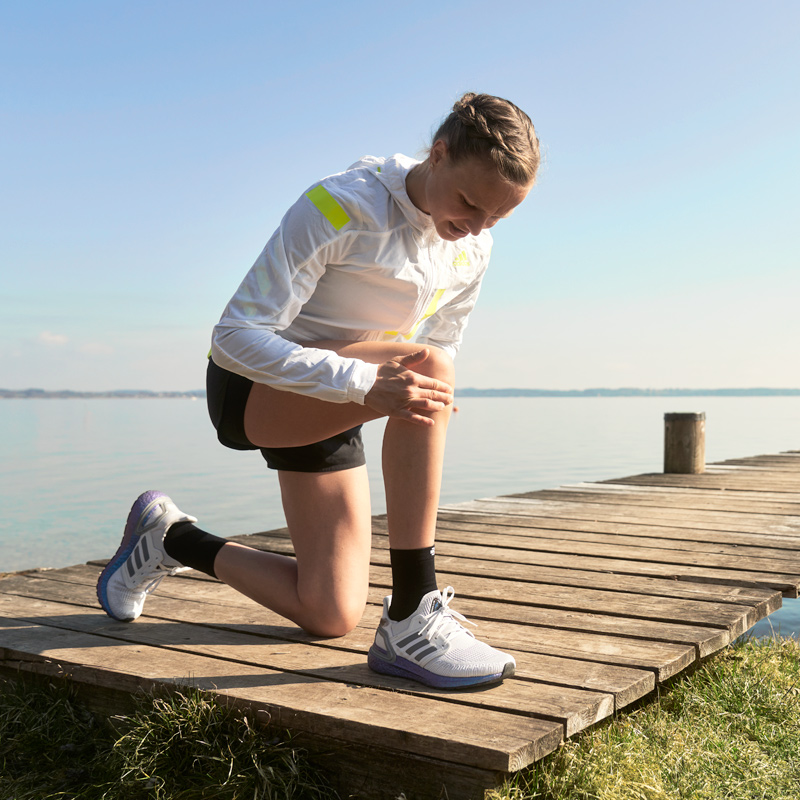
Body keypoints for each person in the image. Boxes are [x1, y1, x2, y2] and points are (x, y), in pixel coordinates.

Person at [97, 92, 540, 689]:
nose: (478, 228)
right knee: (425, 366)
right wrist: (370, 382)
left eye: (497, 218)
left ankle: (169, 536)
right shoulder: (340, 206)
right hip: (254, 388)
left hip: (344, 401)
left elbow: (446, 342)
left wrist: (408, 399)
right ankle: (412, 613)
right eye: (469, 203)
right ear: (438, 154)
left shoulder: (472, 244)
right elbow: (233, 336)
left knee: (329, 612)